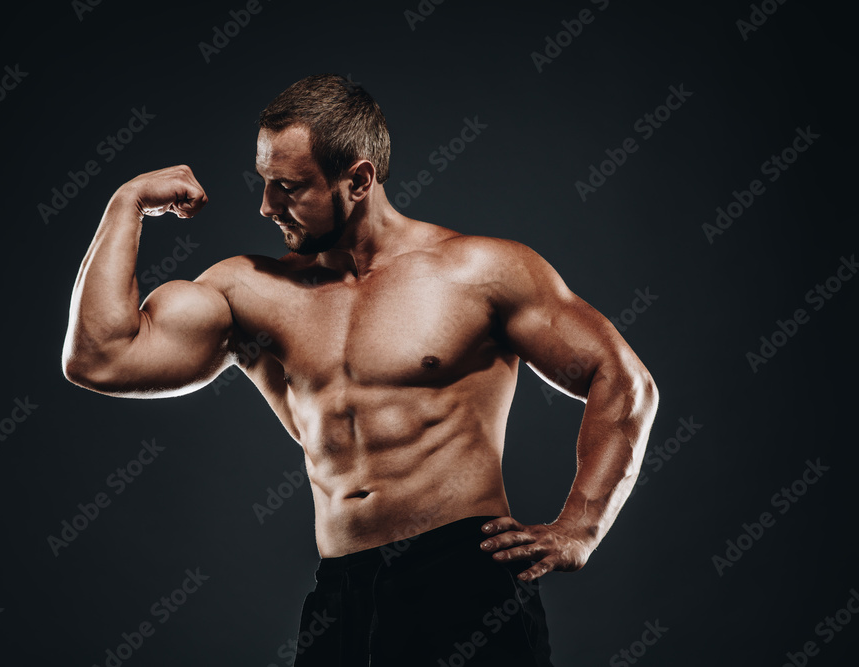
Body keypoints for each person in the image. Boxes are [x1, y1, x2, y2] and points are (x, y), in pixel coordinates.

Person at [61, 73, 659, 666]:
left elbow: (623, 381)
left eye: (288, 187)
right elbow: (99, 356)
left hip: (463, 583)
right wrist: (127, 205)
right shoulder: (250, 291)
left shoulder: (479, 272)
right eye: (264, 182)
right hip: (342, 592)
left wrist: (580, 526)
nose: (266, 205)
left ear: (359, 178)